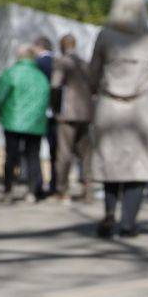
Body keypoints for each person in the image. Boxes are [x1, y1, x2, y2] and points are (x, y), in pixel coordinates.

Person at [88, 0, 148, 238]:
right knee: (137, 169)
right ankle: (128, 223)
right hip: (141, 112)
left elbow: (92, 74)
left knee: (110, 166)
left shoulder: (104, 36)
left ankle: (108, 214)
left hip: (109, 109)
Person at [0, 44, 49, 203]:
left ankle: (8, 189)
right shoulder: (41, 77)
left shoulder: (12, 73)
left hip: (13, 121)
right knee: (33, 157)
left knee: (11, 156)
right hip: (35, 124)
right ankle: (31, 192)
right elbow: (46, 99)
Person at [51, 33, 92, 203]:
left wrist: (55, 109)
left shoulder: (62, 62)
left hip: (67, 114)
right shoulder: (85, 64)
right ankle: (88, 190)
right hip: (86, 114)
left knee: (65, 153)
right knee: (86, 154)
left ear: (62, 45)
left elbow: (55, 85)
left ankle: (63, 191)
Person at [33, 35, 58, 195]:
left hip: (38, 112)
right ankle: (55, 185)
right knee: (55, 151)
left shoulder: (38, 64)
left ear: (39, 47)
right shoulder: (58, 63)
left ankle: (38, 185)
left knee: (33, 150)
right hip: (55, 113)